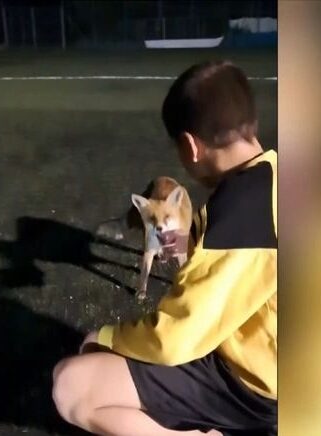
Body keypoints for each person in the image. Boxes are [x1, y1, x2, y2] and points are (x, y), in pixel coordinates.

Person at [52, 60, 277, 436]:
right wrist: (191, 248)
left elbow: (176, 337)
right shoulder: (275, 176)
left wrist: (107, 337)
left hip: (253, 387)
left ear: (190, 146)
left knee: (71, 384)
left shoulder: (241, 210)